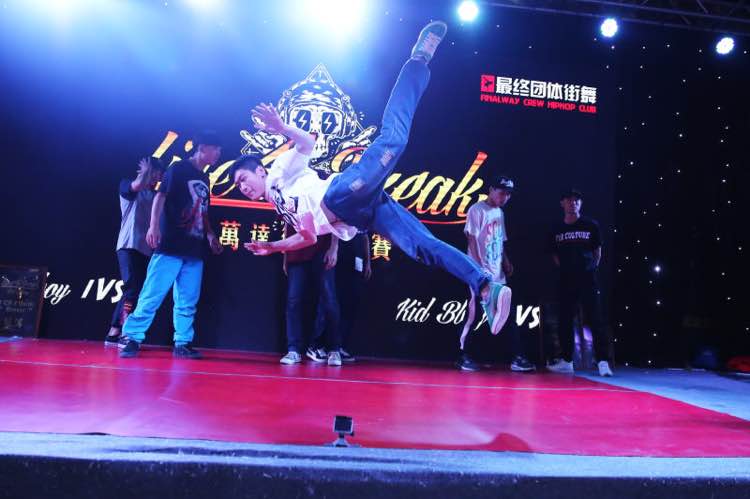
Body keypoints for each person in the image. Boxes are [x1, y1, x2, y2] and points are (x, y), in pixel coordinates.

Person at [229, 21, 510, 335]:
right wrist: (273, 246)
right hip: (362, 214)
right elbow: (308, 237)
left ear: (259, 170)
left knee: (394, 141)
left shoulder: (278, 173)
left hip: (342, 194)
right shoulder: (281, 206)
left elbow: (307, 143)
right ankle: (487, 287)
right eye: (238, 186)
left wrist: (281, 127)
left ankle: (418, 60)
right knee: (423, 247)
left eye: (243, 179)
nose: (243, 187)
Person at [119, 131, 224, 359]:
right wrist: (153, 226)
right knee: (152, 294)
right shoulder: (178, 169)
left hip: (194, 248)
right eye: (216, 148)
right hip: (170, 245)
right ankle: (133, 338)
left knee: (188, 299)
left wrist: (210, 235)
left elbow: (203, 210)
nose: (219, 153)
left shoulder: (205, 178)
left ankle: (183, 342)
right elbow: (160, 196)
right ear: (202, 148)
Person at [455, 176, 535, 372]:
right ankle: (462, 356)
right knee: (473, 315)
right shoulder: (477, 209)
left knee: (507, 316)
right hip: (479, 275)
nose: (505, 197)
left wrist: (506, 261)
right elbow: (471, 239)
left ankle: (517, 358)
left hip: (498, 275)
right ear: (491, 190)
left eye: (508, 194)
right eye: (502, 192)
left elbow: (499, 240)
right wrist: (478, 269)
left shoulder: (500, 213)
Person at [547, 188, 614, 376]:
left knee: (595, 318)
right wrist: (565, 269)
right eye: (569, 200)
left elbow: (597, 251)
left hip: (587, 278)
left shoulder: (590, 225)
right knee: (565, 319)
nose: (573, 203)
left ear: (580, 203)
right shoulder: (556, 228)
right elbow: (553, 254)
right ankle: (567, 360)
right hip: (565, 279)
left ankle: (602, 361)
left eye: (576, 200)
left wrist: (590, 269)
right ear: (562, 203)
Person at [105, 157, 164, 346]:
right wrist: (145, 172)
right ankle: (123, 332)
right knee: (131, 288)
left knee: (137, 291)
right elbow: (137, 185)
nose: (156, 177)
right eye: (154, 172)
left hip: (147, 250)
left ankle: (114, 333)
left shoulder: (157, 196)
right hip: (128, 245)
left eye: (158, 174)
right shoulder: (127, 186)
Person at [280, 227, 343, 366]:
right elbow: (288, 223)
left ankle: (334, 349)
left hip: (323, 249)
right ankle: (293, 350)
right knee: (293, 300)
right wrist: (285, 255)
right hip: (296, 251)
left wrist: (334, 247)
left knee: (329, 299)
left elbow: (336, 221)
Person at [313, 230, 372, 363]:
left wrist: (368, 262)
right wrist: (334, 248)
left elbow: (365, 236)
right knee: (329, 299)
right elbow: (335, 228)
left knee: (348, 302)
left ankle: (338, 346)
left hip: (356, 257)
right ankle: (317, 345)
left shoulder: (364, 221)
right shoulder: (342, 219)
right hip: (339, 252)